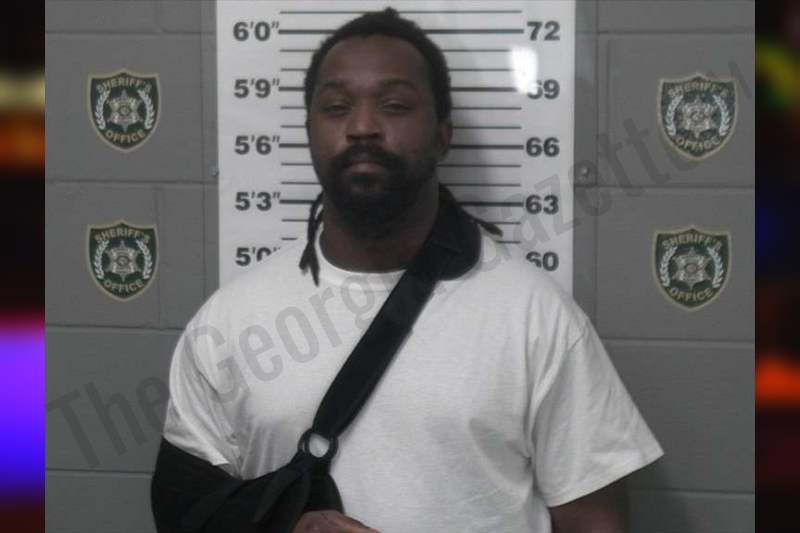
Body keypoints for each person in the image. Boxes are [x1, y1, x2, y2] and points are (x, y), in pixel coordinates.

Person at [153, 8, 663, 533]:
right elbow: (187, 513)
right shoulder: (228, 321)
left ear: (443, 135)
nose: (362, 126)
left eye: (394, 105)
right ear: (309, 132)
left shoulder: (537, 318)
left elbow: (594, 522)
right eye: (336, 107)